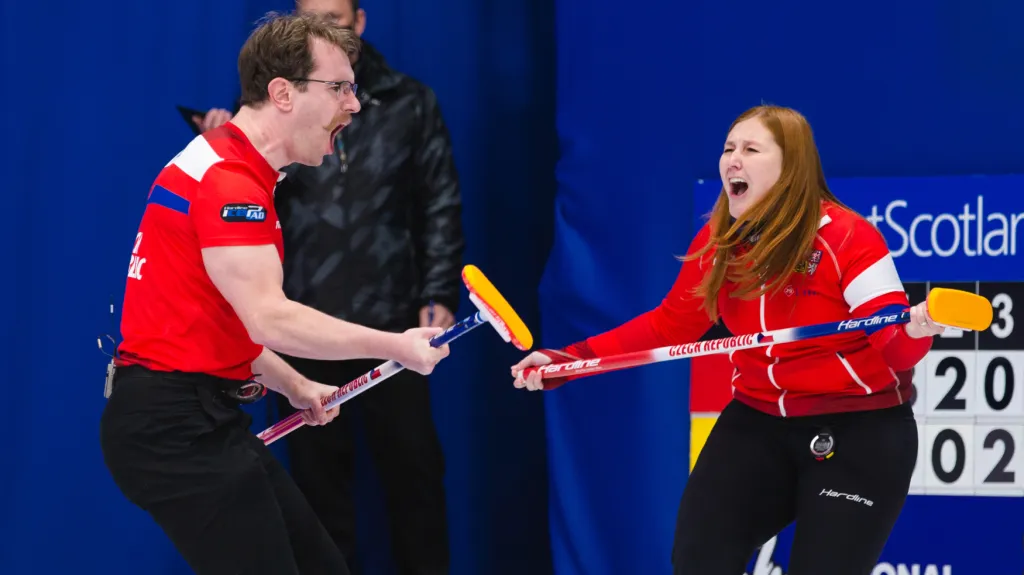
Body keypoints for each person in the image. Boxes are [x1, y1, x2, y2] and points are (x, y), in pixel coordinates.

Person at [511, 105, 947, 575]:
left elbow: (899, 349)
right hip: (758, 423)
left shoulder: (848, 239)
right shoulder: (720, 241)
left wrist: (915, 330)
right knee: (698, 559)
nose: (732, 160)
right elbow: (667, 328)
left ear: (790, 166)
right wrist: (571, 360)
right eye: (728, 148)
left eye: (751, 149)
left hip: (860, 431)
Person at [99, 12, 450, 575]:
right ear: (283, 93)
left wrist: (294, 383)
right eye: (339, 88)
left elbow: (217, 320)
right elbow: (268, 318)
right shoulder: (229, 183)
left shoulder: (228, 164)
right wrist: (396, 345)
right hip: (174, 429)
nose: (354, 105)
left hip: (198, 417)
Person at [195, 2, 463, 573]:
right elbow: (251, 289)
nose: (351, 106)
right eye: (313, 18)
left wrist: (435, 297)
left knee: (415, 480)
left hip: (391, 315)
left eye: (338, 18)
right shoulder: (249, 152)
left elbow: (439, 204)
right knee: (315, 497)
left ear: (360, 21)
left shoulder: (410, 102)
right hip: (300, 321)